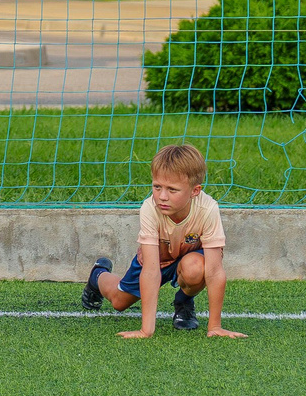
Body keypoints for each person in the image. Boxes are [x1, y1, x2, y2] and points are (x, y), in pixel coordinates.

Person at [80, 142, 243, 338]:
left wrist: (215, 327)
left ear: (195, 191)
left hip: (189, 258)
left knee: (196, 268)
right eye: (157, 187)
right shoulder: (149, 208)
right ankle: (98, 275)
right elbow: (150, 271)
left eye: (172, 190)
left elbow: (215, 271)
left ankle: (183, 302)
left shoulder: (207, 209)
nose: (162, 196)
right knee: (118, 302)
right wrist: (146, 330)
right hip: (156, 260)